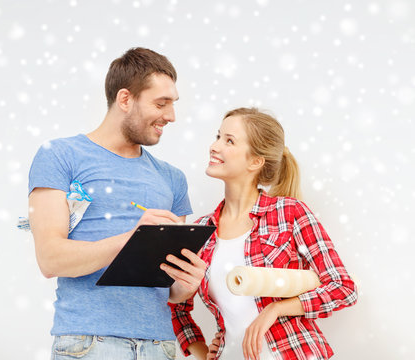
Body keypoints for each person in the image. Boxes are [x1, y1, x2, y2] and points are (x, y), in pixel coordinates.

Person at [27, 47, 207, 360]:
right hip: (90, 343)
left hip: (159, 347)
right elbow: (50, 259)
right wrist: (131, 240)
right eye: (161, 103)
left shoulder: (172, 179)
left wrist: (186, 285)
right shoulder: (59, 156)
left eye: (173, 104)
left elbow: (172, 290)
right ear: (125, 99)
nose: (171, 116)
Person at [170, 108, 358, 360]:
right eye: (217, 137)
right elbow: (176, 305)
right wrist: (203, 354)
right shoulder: (202, 231)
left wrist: (275, 309)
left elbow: (343, 288)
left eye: (229, 140)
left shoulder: (289, 213)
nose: (214, 147)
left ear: (255, 161)